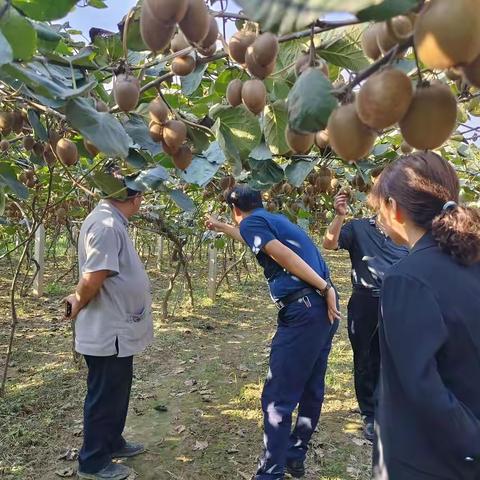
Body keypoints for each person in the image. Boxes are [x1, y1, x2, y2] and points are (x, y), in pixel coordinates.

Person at [206, 184, 341, 480]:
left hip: (306, 308)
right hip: (320, 312)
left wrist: (324, 286)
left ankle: (271, 473)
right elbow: (251, 236)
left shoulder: (254, 222)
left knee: (277, 397)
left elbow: (283, 256)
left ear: (235, 209)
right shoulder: (273, 219)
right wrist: (221, 227)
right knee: (311, 387)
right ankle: (294, 454)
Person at [369, 151, 480, 479]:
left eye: (379, 209)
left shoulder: (406, 278)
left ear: (394, 208)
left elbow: (422, 390)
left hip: (431, 460)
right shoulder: (470, 261)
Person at [65, 182, 153, 480]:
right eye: (141, 196)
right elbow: (93, 278)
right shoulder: (105, 225)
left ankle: (113, 441)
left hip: (118, 329)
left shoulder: (112, 222)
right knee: (104, 396)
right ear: (136, 199)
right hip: (109, 330)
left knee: (116, 392)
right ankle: (93, 461)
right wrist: (77, 300)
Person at [322, 190, 408, 441]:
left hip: (398, 300)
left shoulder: (407, 232)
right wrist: (338, 217)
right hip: (365, 301)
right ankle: (369, 413)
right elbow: (329, 243)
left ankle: (389, 410)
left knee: (393, 357)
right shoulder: (358, 228)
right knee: (365, 357)